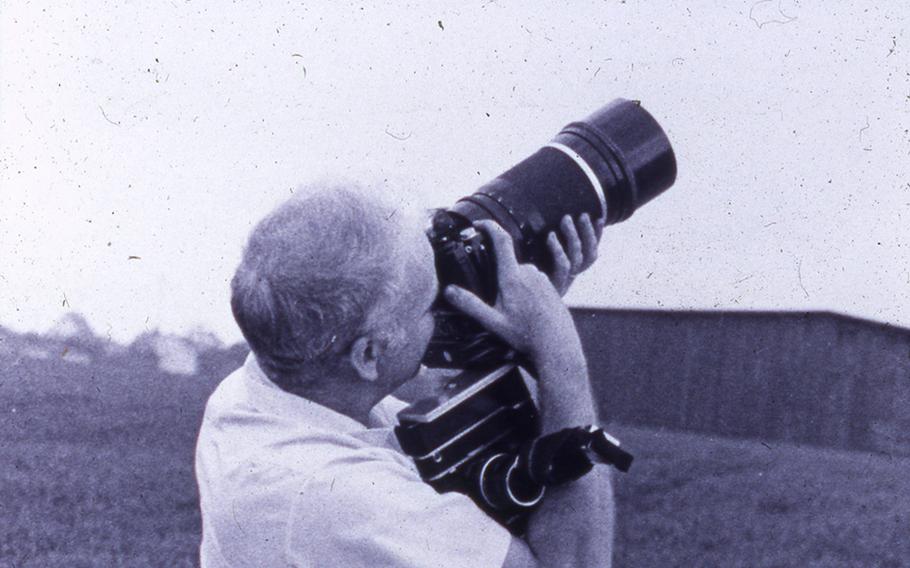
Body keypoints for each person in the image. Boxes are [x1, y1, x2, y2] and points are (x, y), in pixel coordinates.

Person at [195, 184, 613, 567]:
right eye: (433, 302)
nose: (445, 310)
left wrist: (514, 324)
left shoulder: (253, 391)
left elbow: (461, 424)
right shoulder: (344, 495)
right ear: (369, 354)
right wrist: (560, 355)